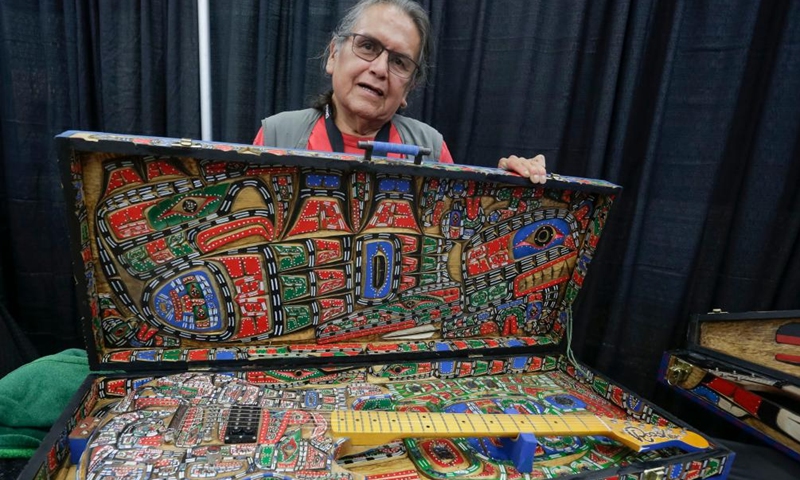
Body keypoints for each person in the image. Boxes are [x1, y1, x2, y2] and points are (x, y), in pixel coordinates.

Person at [253, 0, 547, 184]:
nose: (380, 69)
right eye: (367, 46)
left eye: (399, 62)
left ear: (409, 87)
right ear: (333, 55)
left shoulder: (430, 146)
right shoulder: (278, 135)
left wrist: (505, 191)